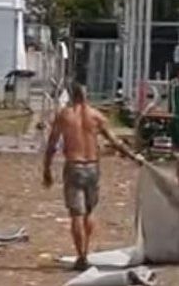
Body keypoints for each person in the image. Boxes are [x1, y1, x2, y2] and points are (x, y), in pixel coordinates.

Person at [43, 81, 142, 271]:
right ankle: (86, 250)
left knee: (76, 215)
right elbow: (115, 141)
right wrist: (133, 157)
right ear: (86, 95)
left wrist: (46, 169)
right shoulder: (96, 116)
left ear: (71, 95)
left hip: (74, 166)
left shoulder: (64, 115)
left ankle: (81, 255)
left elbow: (52, 144)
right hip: (92, 167)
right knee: (89, 212)